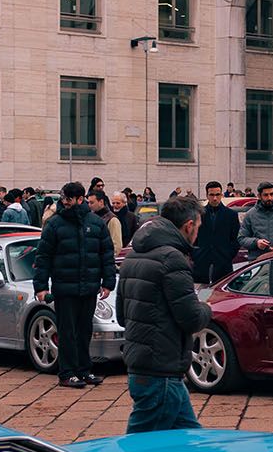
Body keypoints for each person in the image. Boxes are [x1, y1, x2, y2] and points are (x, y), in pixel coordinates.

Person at [116, 196, 213, 434]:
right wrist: (207, 307)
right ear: (189, 225)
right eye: (198, 228)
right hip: (160, 371)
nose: (197, 234)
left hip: (148, 367)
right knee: (140, 447)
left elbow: (121, 316)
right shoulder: (172, 259)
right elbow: (191, 318)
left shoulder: (133, 256)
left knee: (190, 440)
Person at [33, 181, 115, 389]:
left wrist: (108, 282)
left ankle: (84, 370)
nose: (65, 202)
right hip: (64, 288)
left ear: (81, 199)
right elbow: (43, 257)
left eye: (69, 199)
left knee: (84, 331)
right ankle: (67, 373)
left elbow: (106, 254)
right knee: (67, 332)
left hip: (89, 287)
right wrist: (41, 287)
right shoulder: (54, 224)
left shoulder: (95, 223)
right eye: (64, 198)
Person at [190, 180, 241, 281]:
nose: (214, 198)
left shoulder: (231, 215)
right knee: (202, 294)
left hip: (223, 264)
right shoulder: (198, 214)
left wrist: (228, 255)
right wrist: (196, 254)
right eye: (211, 195)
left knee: (220, 294)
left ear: (222, 195)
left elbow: (236, 239)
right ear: (207, 195)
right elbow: (192, 237)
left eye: (217, 194)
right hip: (201, 263)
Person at [87, 188, 123, 253]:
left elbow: (117, 247)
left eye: (91, 203)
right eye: (88, 202)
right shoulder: (90, 218)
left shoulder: (112, 220)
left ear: (101, 202)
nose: (89, 205)